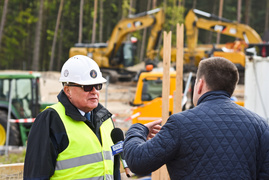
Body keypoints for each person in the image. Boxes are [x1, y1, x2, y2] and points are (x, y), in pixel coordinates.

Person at [123, 57, 269, 179]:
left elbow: (137, 161)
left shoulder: (179, 124)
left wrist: (137, 129)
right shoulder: (261, 126)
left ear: (200, 85)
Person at [24, 55, 121, 180]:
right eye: (87, 87)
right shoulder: (50, 120)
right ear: (67, 90)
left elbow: (114, 172)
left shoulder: (106, 119)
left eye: (97, 85)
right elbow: (35, 176)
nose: (94, 91)